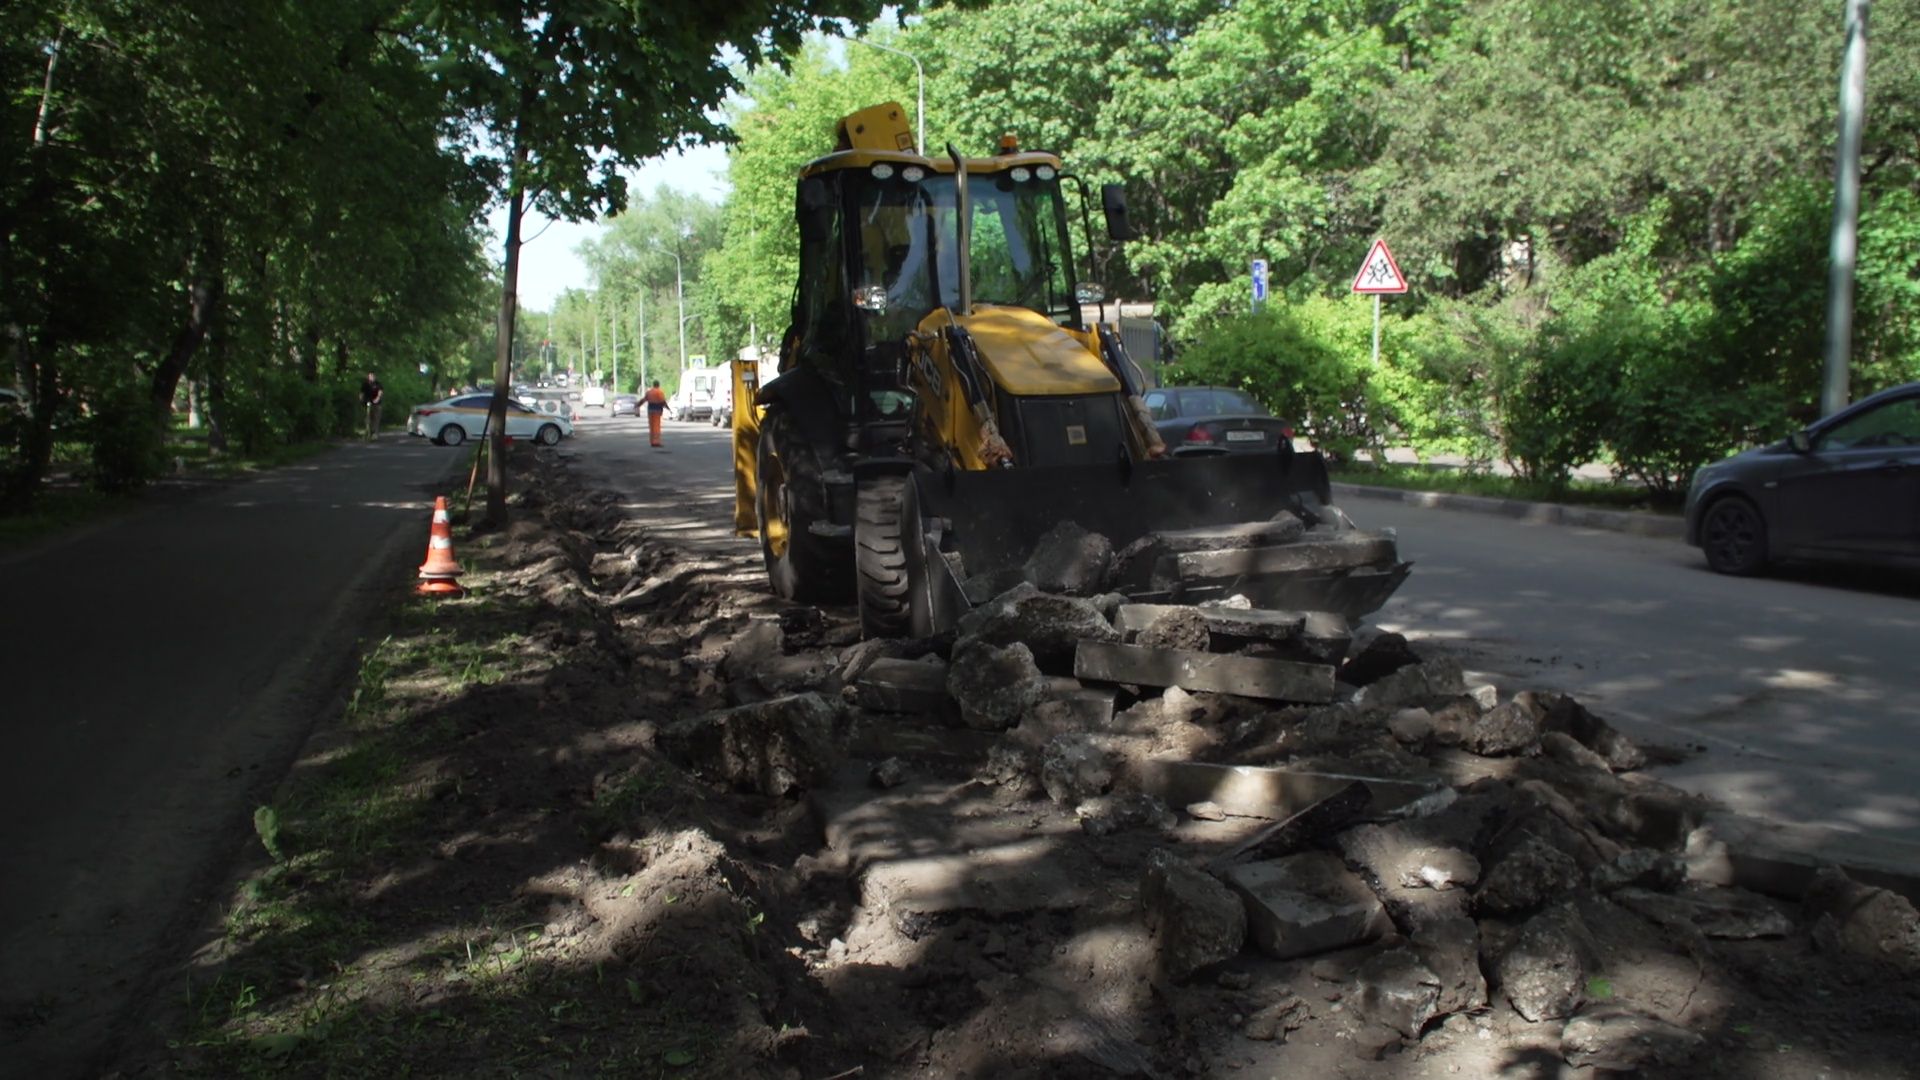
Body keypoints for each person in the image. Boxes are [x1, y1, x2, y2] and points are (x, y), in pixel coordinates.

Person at [643, 380, 668, 448]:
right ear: (658, 385)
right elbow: (663, 401)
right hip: (657, 411)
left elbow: (644, 400)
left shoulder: (649, 392)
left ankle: (652, 441)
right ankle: (656, 442)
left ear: (653, 385)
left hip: (650, 411)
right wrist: (668, 408)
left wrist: (637, 405)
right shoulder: (660, 392)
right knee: (656, 427)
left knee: (651, 427)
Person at [361, 372, 383, 440]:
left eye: (373, 376)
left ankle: (375, 433)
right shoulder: (365, 384)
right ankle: (367, 432)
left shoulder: (378, 384)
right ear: (368, 377)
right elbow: (361, 393)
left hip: (376, 404)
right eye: (370, 376)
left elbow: (380, 392)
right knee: (367, 418)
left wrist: (377, 399)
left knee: (376, 419)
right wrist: (361, 400)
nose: (372, 377)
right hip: (367, 403)